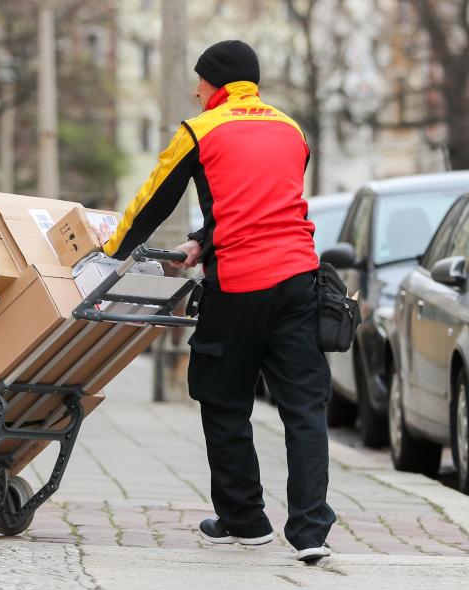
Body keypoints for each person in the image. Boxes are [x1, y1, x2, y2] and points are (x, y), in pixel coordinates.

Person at [97, 40, 336, 563]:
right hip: (299, 281)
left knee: (224, 399)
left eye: (199, 80)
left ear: (216, 84)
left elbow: (152, 200)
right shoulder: (292, 129)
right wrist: (202, 241)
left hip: (241, 285)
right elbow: (263, 202)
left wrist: (107, 253)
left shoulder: (199, 130)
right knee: (304, 406)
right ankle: (312, 530)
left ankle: (244, 519)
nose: (194, 89)